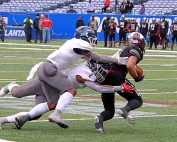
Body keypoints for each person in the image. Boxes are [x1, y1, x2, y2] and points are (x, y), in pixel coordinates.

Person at [0, 26, 129, 129]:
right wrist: (116, 60)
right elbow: (97, 57)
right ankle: (56, 114)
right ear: (85, 37)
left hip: (47, 73)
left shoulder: (77, 47)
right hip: (49, 69)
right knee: (72, 90)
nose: (92, 39)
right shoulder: (79, 43)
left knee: (43, 106)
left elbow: (88, 57)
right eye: (91, 37)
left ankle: (5, 117)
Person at [0, 60, 133, 129]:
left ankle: (3, 120)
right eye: (100, 70)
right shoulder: (83, 74)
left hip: (52, 91)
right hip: (43, 84)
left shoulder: (88, 69)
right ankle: (10, 85)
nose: (101, 74)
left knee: (34, 116)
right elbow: (100, 88)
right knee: (17, 93)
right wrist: (119, 88)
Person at [93, 32, 145, 133]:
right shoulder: (136, 49)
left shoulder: (123, 50)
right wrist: (136, 77)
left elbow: (130, 64)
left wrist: (138, 71)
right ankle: (124, 110)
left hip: (105, 76)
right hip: (116, 76)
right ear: (141, 43)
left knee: (109, 111)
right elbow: (130, 65)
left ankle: (99, 120)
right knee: (137, 100)